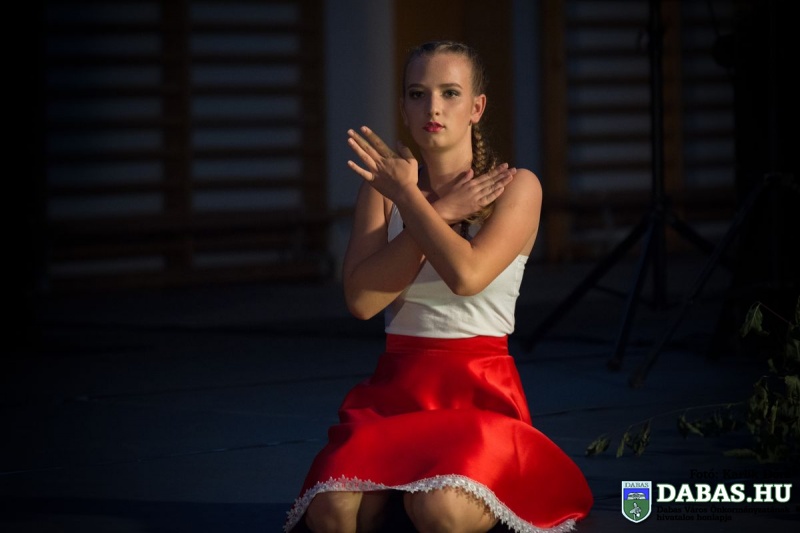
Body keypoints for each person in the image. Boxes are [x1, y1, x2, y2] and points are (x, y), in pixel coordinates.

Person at [285, 40, 593, 533]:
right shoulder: (382, 193)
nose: (433, 107)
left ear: (477, 108)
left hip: (479, 395)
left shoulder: (518, 187)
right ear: (403, 107)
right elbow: (362, 302)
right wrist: (434, 208)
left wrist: (412, 199)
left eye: (450, 93)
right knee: (332, 511)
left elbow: (467, 276)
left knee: (439, 509)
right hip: (395, 394)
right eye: (417, 94)